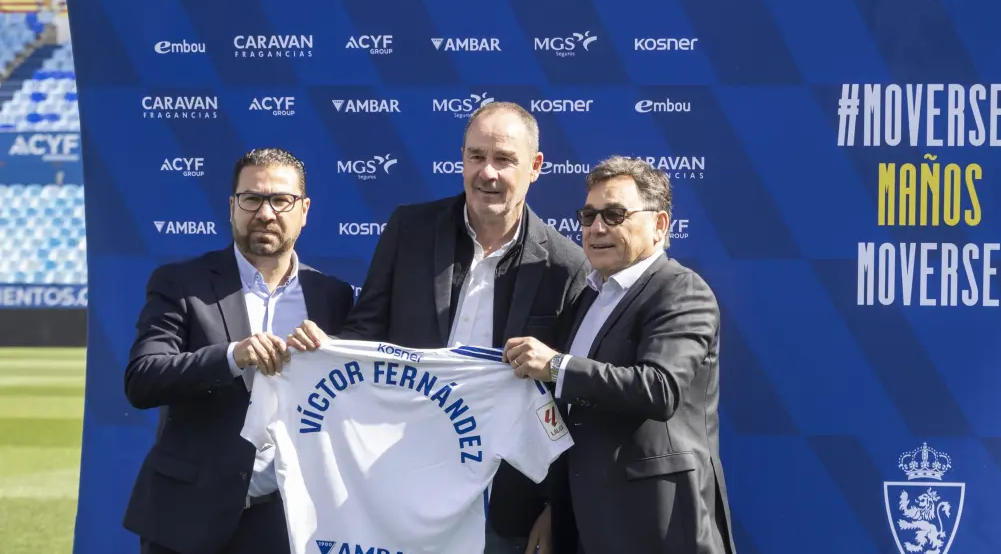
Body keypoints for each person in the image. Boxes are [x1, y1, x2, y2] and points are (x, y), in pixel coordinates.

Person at [289, 101, 591, 553]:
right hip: (395, 482)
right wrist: (324, 352)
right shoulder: (409, 229)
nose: (487, 172)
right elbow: (364, 334)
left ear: (535, 167)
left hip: (504, 503)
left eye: (504, 159)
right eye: (476, 156)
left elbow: (565, 401)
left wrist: (553, 506)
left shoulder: (566, 266)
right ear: (462, 159)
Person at [122, 148, 356, 554]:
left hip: (288, 521)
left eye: (280, 200)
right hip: (185, 520)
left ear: (304, 210)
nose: (265, 213)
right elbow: (143, 379)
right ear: (232, 206)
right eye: (252, 199)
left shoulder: (333, 297)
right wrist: (233, 356)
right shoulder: (181, 283)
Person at [503, 155, 736, 554]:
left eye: (614, 214)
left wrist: (556, 366)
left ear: (660, 225)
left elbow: (659, 389)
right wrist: (554, 507)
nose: (596, 228)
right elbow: (576, 419)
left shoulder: (681, 290)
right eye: (588, 215)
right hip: (586, 524)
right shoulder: (588, 296)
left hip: (658, 528)